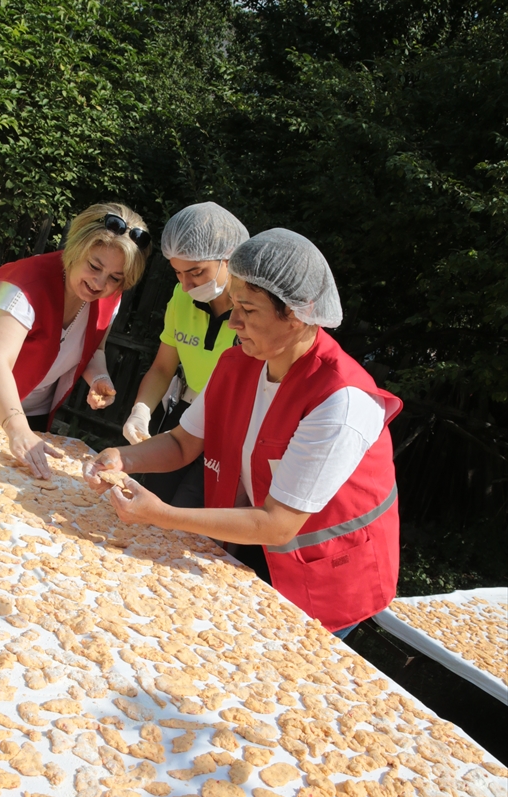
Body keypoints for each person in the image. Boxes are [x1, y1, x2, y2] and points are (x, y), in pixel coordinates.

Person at [84, 228, 403, 636]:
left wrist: (162, 516)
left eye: (249, 311)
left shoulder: (341, 402)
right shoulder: (239, 363)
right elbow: (184, 443)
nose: (233, 321)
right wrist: (122, 457)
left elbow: (279, 523)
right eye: (234, 305)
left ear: (297, 315)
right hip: (251, 549)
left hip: (324, 580)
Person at [0, 202, 151, 478]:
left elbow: (94, 348)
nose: (100, 283)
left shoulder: (110, 297)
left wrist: (99, 377)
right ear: (75, 248)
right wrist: (16, 428)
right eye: (94, 266)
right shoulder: (24, 284)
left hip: (32, 420)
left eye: (115, 278)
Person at [123, 202, 248, 506]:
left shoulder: (254, 309)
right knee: (153, 499)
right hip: (186, 414)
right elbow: (163, 367)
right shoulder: (181, 296)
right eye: (178, 272)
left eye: (196, 272)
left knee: (190, 513)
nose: (186, 284)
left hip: (232, 429)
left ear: (229, 259)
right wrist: (141, 410)